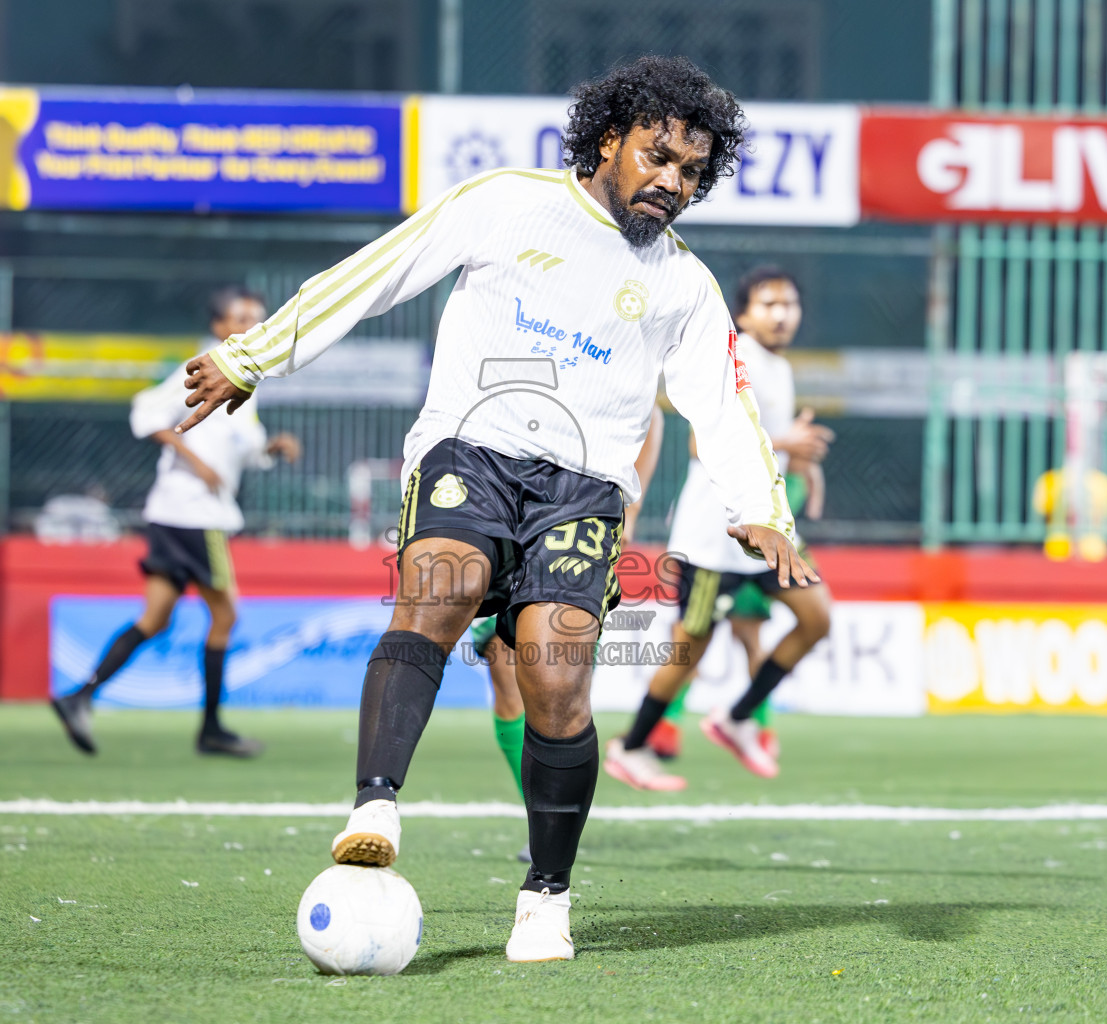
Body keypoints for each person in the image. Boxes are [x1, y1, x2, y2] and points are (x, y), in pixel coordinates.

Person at [177, 57, 815, 963]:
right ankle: (375, 805)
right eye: (657, 156)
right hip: (469, 453)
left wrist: (763, 506)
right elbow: (377, 272)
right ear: (608, 140)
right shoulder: (506, 203)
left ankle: (546, 899)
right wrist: (255, 355)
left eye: (691, 172)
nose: (672, 182)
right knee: (443, 592)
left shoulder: (687, 286)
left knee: (556, 678)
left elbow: (723, 402)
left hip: (583, 491)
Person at [604, 267, 834, 791]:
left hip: (765, 534)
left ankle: (738, 717)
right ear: (746, 312)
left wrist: (801, 462)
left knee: (817, 616)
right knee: (690, 650)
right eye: (769, 303)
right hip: (715, 538)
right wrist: (786, 443)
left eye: (790, 303)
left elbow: (771, 446)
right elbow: (699, 444)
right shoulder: (739, 354)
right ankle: (632, 745)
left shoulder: (778, 366)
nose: (782, 313)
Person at [50, 286, 301, 758]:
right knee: (225, 614)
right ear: (219, 326)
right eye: (242, 317)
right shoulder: (203, 365)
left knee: (156, 618)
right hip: (193, 515)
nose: (253, 325)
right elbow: (145, 412)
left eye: (258, 318)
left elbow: (237, 448)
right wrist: (192, 461)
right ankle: (210, 730)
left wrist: (270, 450)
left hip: (174, 514)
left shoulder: (243, 378)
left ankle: (79, 696)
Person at [472, 404, 665, 864]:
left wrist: (628, 510)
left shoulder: (610, 360)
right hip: (504, 509)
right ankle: (538, 817)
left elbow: (650, 415)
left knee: (556, 684)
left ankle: (551, 823)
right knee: (504, 677)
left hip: (573, 521)